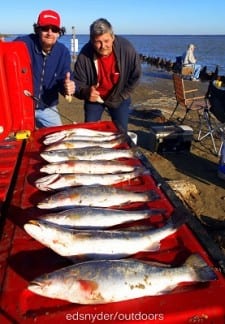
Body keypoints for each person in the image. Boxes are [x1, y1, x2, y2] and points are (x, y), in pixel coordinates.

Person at [73, 18, 141, 132]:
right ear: (91, 40)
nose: (103, 46)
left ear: (113, 37)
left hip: (119, 97)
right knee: (90, 132)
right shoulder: (84, 55)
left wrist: (122, 95)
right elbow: (77, 82)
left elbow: (136, 76)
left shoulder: (126, 49)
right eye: (98, 42)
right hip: (94, 100)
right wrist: (86, 92)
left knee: (121, 132)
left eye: (106, 41)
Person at [15, 9, 75, 128]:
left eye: (54, 29)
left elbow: (66, 77)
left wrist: (69, 87)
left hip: (48, 107)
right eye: (45, 28)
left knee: (58, 138)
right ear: (38, 30)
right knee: (15, 141)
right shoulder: (22, 44)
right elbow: (6, 55)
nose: (49, 33)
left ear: (59, 32)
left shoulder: (63, 52)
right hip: (21, 106)